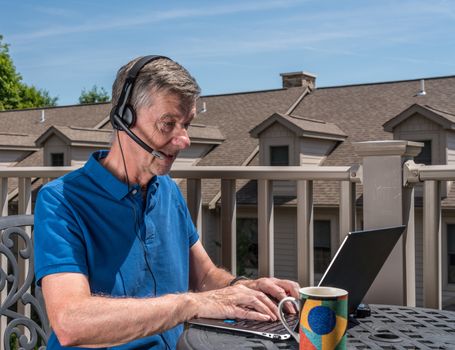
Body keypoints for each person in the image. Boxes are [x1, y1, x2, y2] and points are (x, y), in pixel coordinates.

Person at [34, 55, 299, 350]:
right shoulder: (61, 200)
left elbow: (205, 276)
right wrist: (188, 305)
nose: (184, 139)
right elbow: (71, 323)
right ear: (124, 117)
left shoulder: (168, 191)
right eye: (168, 123)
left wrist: (244, 287)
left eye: (186, 124)